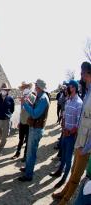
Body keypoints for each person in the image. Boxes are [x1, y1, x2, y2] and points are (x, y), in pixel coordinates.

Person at [52, 61, 91, 205]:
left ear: (87, 73)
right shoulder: (88, 92)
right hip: (79, 140)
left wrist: (86, 147)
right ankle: (64, 193)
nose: (81, 76)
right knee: (74, 170)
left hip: (85, 145)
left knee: (76, 175)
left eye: (82, 73)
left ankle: (65, 200)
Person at [49, 80, 82, 188]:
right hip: (64, 133)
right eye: (68, 87)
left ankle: (64, 178)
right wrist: (63, 128)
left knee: (68, 158)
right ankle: (59, 171)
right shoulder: (68, 101)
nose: (68, 88)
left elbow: (78, 123)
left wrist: (69, 132)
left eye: (71, 87)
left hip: (71, 136)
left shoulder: (79, 103)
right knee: (62, 155)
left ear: (75, 88)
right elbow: (64, 117)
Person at [18, 79, 50, 182]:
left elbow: (35, 114)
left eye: (36, 85)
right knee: (30, 152)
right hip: (34, 127)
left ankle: (28, 175)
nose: (35, 87)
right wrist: (28, 102)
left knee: (31, 153)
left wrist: (25, 104)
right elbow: (35, 109)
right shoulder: (40, 97)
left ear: (39, 87)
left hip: (36, 129)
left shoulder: (43, 99)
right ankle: (28, 169)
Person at [11, 82, 36, 162]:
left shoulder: (33, 97)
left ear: (29, 88)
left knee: (28, 140)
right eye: (23, 88)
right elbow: (21, 111)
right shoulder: (22, 97)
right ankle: (17, 153)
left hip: (29, 122)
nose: (24, 89)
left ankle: (25, 155)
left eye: (26, 87)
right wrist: (19, 121)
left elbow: (34, 109)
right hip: (22, 121)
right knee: (21, 139)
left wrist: (28, 102)